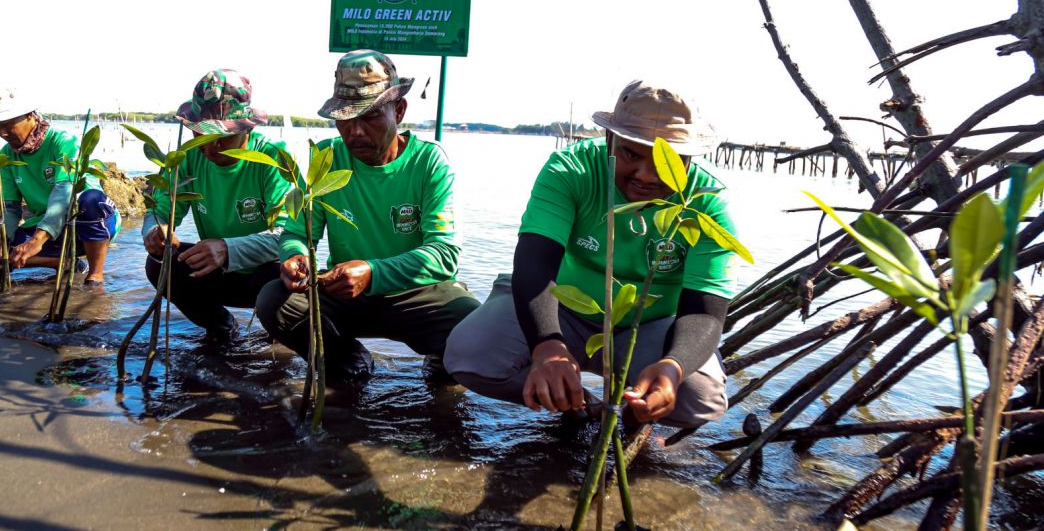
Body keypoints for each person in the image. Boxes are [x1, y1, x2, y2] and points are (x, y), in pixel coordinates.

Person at [445, 81, 737, 428]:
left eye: (666, 160)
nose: (646, 174)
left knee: (701, 400)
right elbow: (535, 263)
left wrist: (673, 367)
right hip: (562, 309)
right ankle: (580, 403)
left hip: (646, 326)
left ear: (688, 158)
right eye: (631, 154)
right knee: (469, 356)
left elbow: (704, 312)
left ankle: (628, 411)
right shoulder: (570, 170)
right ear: (609, 139)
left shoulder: (708, 203)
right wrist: (548, 347)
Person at [255, 49, 479, 381]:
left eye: (371, 116)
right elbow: (297, 233)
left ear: (399, 110)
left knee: (474, 328)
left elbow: (444, 256)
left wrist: (372, 273)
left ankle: (440, 362)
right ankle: (348, 360)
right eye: (345, 117)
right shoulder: (327, 156)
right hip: (344, 294)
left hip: (414, 294)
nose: (356, 131)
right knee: (274, 299)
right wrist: (295, 256)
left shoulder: (429, 163)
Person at [142, 69, 289, 342]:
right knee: (159, 264)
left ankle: (277, 338)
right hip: (214, 272)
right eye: (203, 135)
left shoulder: (272, 158)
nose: (210, 147)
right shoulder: (188, 157)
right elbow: (159, 210)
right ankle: (221, 326)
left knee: (283, 282)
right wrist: (155, 231)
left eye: (221, 137)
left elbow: (289, 235)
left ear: (247, 127)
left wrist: (227, 249)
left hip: (263, 274)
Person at [0, 90, 119, 287]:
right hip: (46, 226)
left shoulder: (64, 141)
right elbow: (9, 206)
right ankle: (66, 264)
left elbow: (64, 192)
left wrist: (37, 241)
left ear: (30, 116)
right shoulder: (6, 156)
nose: (3, 134)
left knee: (91, 200)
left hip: (87, 221)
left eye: (7, 125)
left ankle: (95, 275)